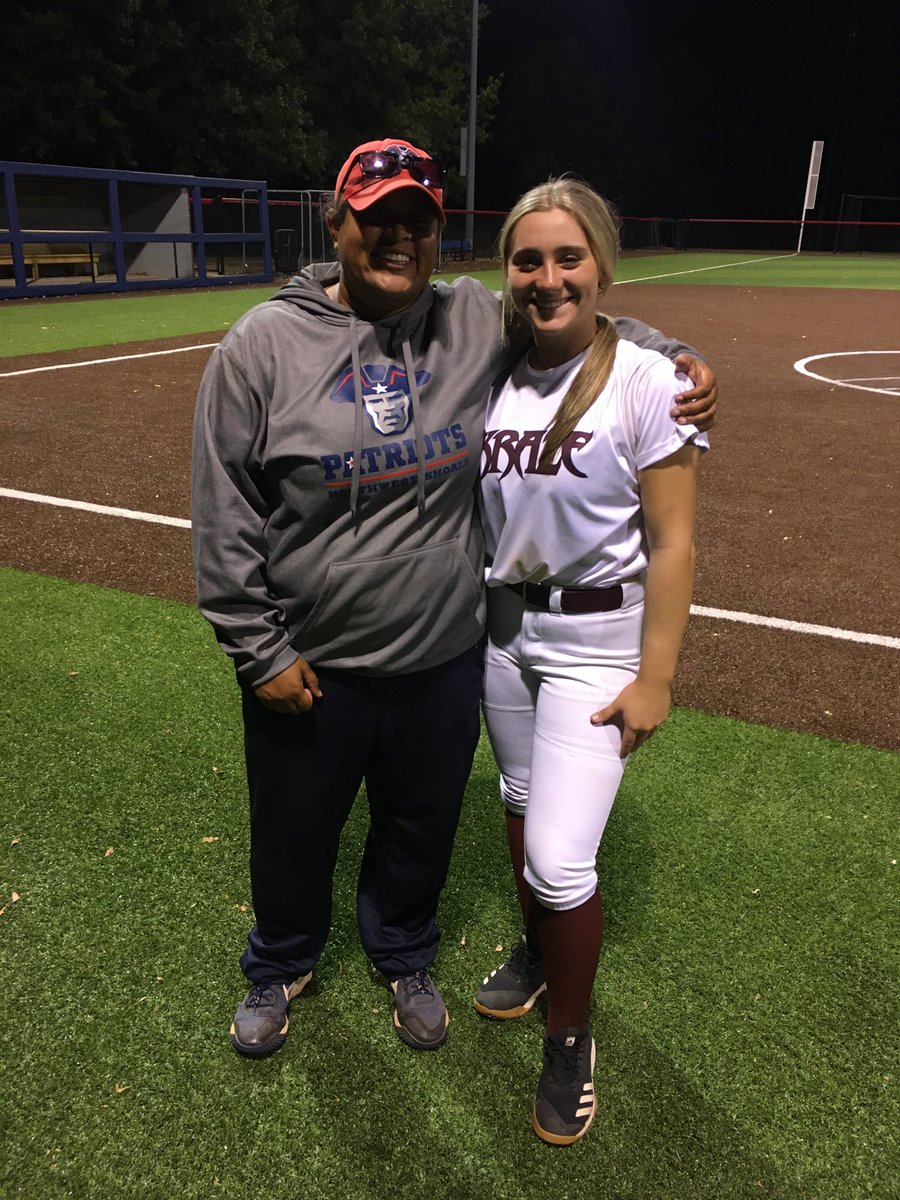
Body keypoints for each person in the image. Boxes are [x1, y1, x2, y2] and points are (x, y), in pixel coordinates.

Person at [190, 138, 717, 1060]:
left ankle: (403, 954)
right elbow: (224, 510)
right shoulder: (261, 345)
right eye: (378, 218)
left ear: (438, 237)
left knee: (419, 830)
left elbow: (574, 322)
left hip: (442, 658)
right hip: (311, 660)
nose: (397, 237)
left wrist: (672, 354)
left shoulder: (469, 319)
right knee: (292, 833)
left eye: (418, 222)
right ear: (337, 220)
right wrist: (257, 649)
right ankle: (279, 962)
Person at [473, 178, 708, 1144]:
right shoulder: (494, 370)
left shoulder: (651, 381)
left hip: (596, 648)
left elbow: (675, 541)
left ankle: (571, 1037)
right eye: (529, 259)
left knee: (562, 860)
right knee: (520, 810)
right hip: (503, 635)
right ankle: (536, 957)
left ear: (603, 264)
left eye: (568, 257)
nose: (548, 277)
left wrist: (656, 676)